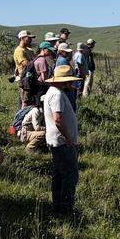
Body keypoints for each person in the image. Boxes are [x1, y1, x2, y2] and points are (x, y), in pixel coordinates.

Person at [42, 65, 82, 215]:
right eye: (68, 81)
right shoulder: (57, 94)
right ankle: (65, 208)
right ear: (63, 81)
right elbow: (57, 119)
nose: (69, 83)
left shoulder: (54, 92)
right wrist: (68, 138)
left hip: (58, 140)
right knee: (69, 175)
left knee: (60, 173)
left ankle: (58, 206)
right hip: (62, 141)